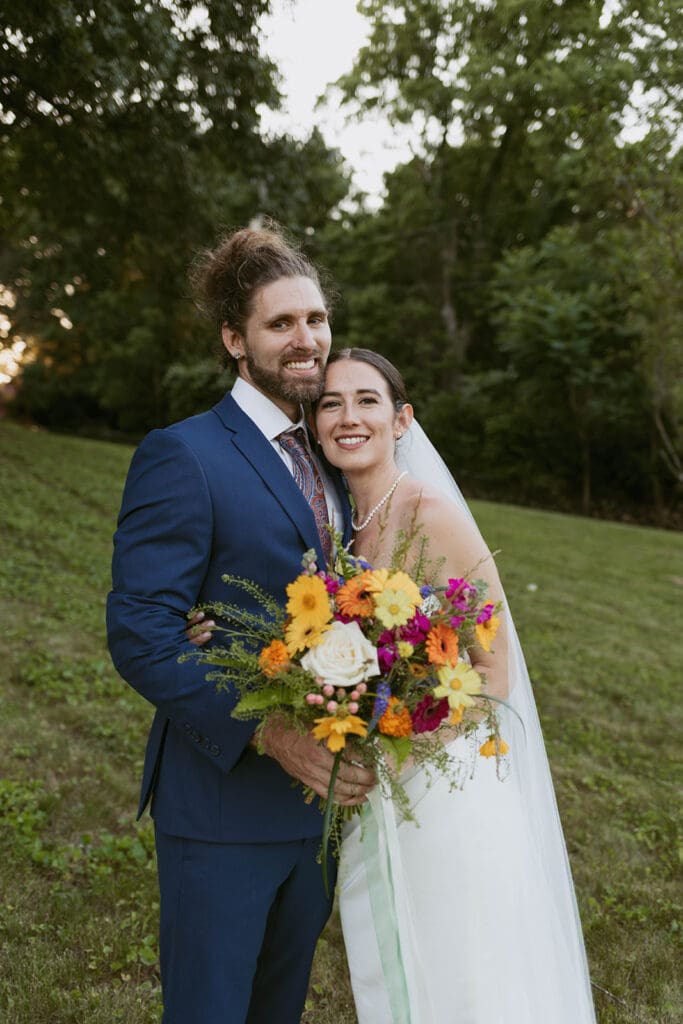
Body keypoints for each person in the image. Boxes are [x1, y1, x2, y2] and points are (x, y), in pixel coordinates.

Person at [191, 347, 597, 1022]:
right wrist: (205, 618)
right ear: (313, 426)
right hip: (371, 783)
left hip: (439, 787)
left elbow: (492, 671)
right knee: (394, 965)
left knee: (458, 968)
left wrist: (394, 741)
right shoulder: (330, 525)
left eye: (367, 400)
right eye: (330, 403)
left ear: (401, 419)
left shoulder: (430, 512)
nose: (348, 416)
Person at [106, 227, 375, 1024]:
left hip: (317, 811)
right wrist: (273, 736)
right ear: (235, 340)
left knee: (275, 1008)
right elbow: (141, 632)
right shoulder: (182, 454)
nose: (306, 340)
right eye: (280, 323)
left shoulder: (335, 453)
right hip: (221, 805)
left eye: (316, 320)